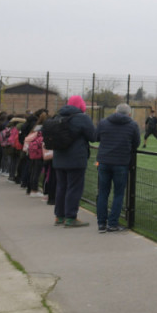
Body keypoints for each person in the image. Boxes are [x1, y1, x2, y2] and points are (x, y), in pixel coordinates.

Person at [95, 103, 140, 233]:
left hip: (104, 161)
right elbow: (136, 143)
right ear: (129, 114)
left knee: (103, 192)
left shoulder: (103, 122)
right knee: (118, 194)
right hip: (121, 162)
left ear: (115, 111)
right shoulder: (133, 125)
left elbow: (96, 137)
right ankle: (112, 223)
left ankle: (101, 223)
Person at [53, 95, 96, 228]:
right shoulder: (82, 118)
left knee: (61, 187)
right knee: (74, 188)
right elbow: (93, 136)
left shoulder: (58, 117)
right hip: (76, 159)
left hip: (59, 157)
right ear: (81, 105)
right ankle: (71, 217)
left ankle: (59, 216)